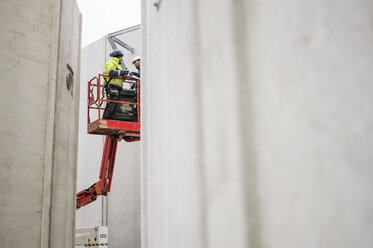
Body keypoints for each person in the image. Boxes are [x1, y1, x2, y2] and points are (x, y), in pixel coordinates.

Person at [102, 49, 129, 119]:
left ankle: (111, 119)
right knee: (112, 104)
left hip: (117, 87)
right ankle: (105, 119)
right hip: (112, 86)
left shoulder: (118, 65)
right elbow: (111, 73)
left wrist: (123, 75)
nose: (122, 59)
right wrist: (121, 72)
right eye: (121, 57)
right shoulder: (111, 62)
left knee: (116, 105)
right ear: (118, 56)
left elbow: (117, 75)